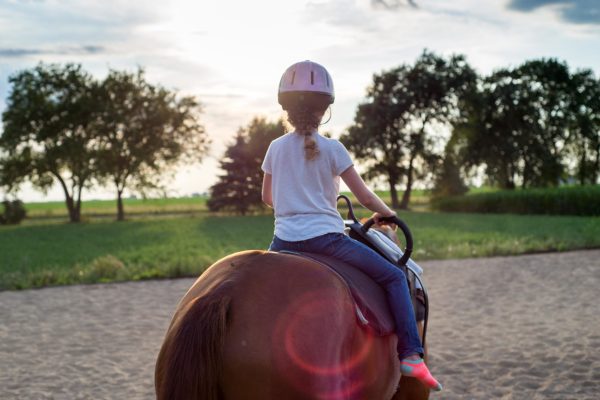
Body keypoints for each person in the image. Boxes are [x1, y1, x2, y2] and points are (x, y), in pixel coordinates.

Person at [261, 60, 442, 392]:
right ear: (325, 110)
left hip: (282, 244)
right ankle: (412, 355)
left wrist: (294, 203)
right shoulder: (333, 149)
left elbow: (268, 198)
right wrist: (388, 215)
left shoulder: (275, 148)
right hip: (327, 242)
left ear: (285, 108)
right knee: (392, 275)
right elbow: (365, 198)